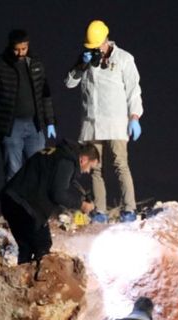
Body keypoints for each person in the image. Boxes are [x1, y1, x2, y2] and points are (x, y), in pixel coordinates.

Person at [65, 20, 144, 223]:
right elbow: (69, 83)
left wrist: (134, 117)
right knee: (95, 168)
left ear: (105, 40)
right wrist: (81, 64)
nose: (94, 50)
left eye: (96, 46)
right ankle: (99, 211)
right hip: (92, 122)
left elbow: (134, 89)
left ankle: (129, 209)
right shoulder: (87, 61)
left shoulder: (124, 59)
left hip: (117, 121)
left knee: (120, 164)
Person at [0, 140, 97, 264]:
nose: (88, 171)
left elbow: (61, 183)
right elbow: (58, 194)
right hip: (24, 206)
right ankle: (40, 280)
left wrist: (81, 198)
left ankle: (24, 279)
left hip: (11, 200)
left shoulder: (58, 155)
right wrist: (81, 205)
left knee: (26, 247)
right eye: (90, 167)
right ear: (83, 159)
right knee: (42, 245)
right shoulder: (66, 162)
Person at [0, 29, 57, 181]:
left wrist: (50, 122)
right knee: (13, 171)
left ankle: (35, 204)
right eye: (16, 49)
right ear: (10, 47)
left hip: (34, 125)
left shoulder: (36, 63)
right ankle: (12, 205)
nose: (20, 53)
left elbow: (45, 94)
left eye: (24, 49)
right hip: (11, 126)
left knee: (38, 168)